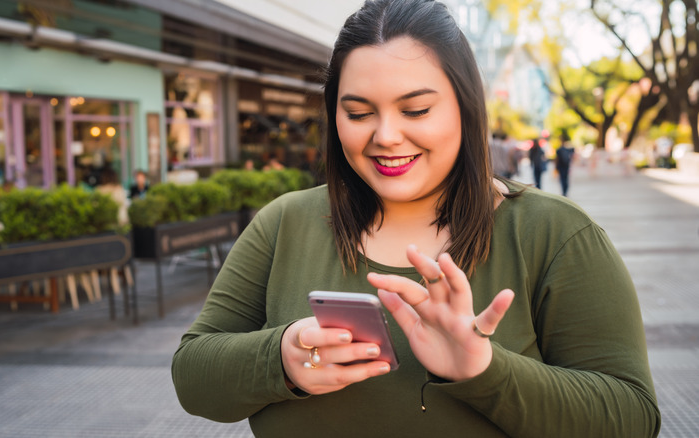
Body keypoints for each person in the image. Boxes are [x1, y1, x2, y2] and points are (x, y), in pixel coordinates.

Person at [172, 1, 660, 437]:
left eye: (417, 109)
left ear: (465, 108)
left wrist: (484, 370)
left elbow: (632, 417)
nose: (386, 136)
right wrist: (281, 358)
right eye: (359, 113)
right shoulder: (285, 222)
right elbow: (193, 377)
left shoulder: (554, 233)